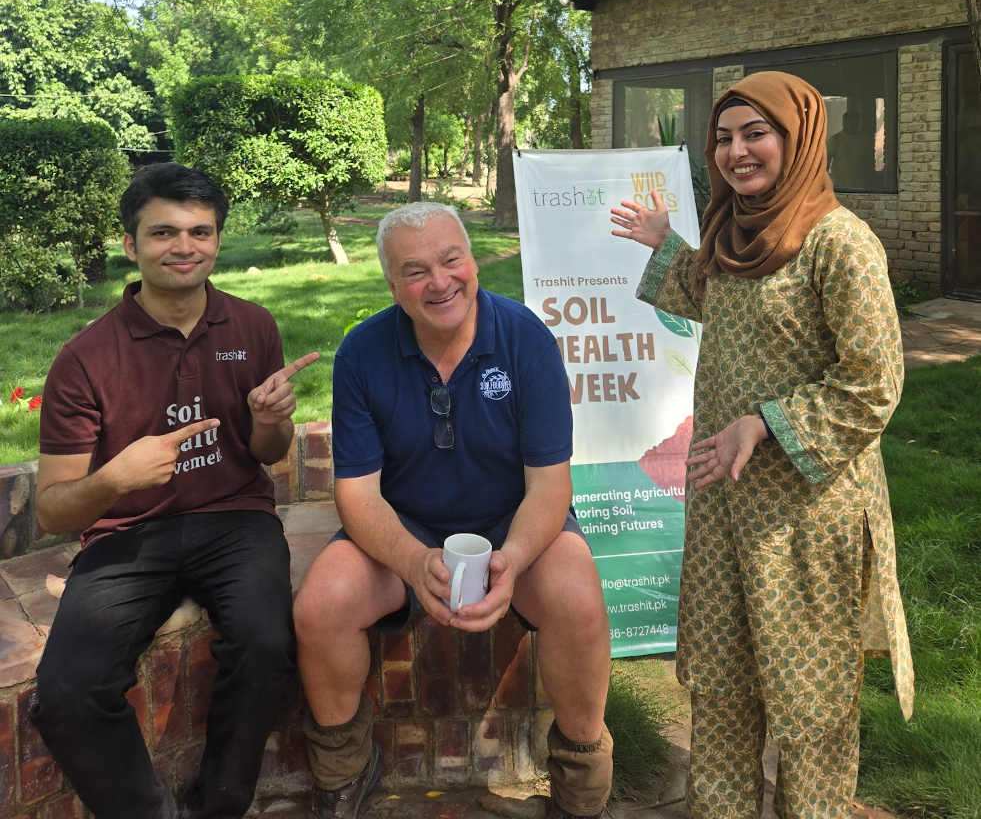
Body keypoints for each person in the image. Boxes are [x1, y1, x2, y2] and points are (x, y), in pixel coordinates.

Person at [609, 72, 914, 818]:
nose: (736, 151)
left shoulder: (840, 244)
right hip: (723, 506)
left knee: (810, 701)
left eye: (756, 133)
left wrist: (764, 423)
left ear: (798, 136)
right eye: (723, 137)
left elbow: (873, 382)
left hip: (807, 516)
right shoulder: (734, 231)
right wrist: (666, 245)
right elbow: (719, 297)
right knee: (719, 686)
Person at [293, 202, 612, 819]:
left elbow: (550, 487)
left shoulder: (527, 341)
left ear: (472, 260)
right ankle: (342, 771)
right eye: (415, 270)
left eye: (451, 259)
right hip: (403, 525)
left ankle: (581, 786)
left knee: (577, 599)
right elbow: (357, 493)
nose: (439, 282)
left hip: (513, 520)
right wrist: (413, 562)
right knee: (320, 606)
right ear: (391, 285)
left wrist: (513, 561)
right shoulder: (361, 352)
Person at [30, 162, 319, 819]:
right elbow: (51, 509)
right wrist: (113, 479)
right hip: (127, 533)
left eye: (199, 231)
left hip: (237, 519)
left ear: (217, 240)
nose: (183, 247)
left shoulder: (252, 326)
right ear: (131, 245)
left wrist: (272, 424)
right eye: (163, 232)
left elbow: (267, 458)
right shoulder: (86, 357)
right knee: (69, 692)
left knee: (266, 644)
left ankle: (217, 807)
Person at [826, 110, 874, 188]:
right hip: (839, 185)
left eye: (854, 124)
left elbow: (868, 162)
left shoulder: (863, 139)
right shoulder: (835, 139)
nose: (851, 127)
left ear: (858, 124)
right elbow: (825, 162)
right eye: (848, 124)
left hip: (860, 185)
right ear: (843, 123)